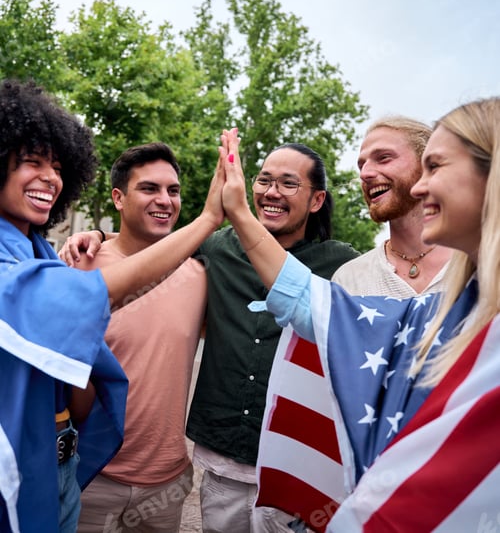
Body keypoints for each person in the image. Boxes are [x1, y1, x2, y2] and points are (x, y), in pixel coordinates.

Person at [220, 97, 499, 530]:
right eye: (361, 162)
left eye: (436, 167)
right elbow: (307, 304)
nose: (423, 186)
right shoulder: (379, 286)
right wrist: (236, 212)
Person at [60, 141, 360, 533]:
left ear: (317, 200)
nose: (271, 192)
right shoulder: (213, 253)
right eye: (264, 179)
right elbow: (152, 243)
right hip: (195, 467)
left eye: (288, 184)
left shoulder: (342, 266)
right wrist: (97, 234)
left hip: (293, 465)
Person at [0, 79, 225, 533]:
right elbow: (97, 293)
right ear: (118, 198)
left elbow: (76, 382)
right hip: (41, 470)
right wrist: (208, 219)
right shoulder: (72, 262)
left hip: (69, 464)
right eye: (31, 162)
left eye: (58, 166)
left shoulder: (43, 252)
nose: (49, 177)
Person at [76, 143, 207, 533]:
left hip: (166, 483)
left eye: (173, 190)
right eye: (149, 189)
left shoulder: (199, 276)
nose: (165, 200)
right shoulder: (81, 265)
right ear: (118, 197)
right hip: (90, 476)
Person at [332, 115, 452, 294]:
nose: (365, 174)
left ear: (428, 165)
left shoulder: (483, 263)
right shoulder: (348, 281)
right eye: (361, 165)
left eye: (383, 158)